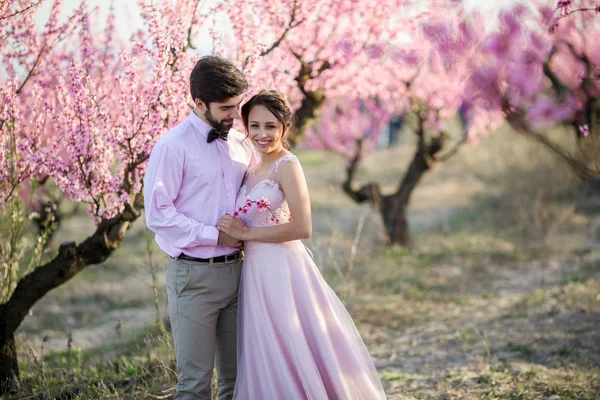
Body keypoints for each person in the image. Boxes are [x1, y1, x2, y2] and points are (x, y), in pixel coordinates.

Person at [217, 90, 387, 399]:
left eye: (270, 126)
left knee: (295, 344)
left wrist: (247, 234)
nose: (262, 134)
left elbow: (302, 226)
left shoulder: (288, 165)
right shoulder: (251, 168)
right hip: (255, 272)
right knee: (267, 350)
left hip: (284, 270)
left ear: (284, 126)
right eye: (254, 126)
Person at [144, 56, 256, 400]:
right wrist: (216, 235)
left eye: (237, 106)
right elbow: (158, 214)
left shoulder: (241, 143)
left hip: (240, 275)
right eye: (225, 108)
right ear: (198, 103)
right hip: (193, 278)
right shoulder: (172, 146)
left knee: (237, 382)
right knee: (194, 385)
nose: (235, 115)